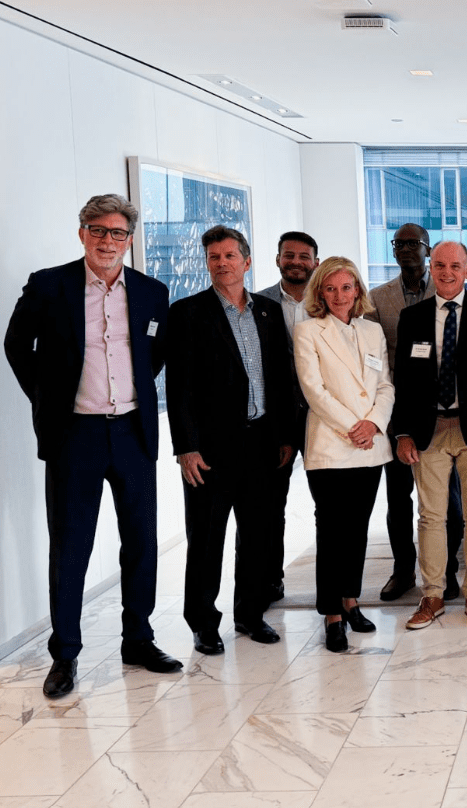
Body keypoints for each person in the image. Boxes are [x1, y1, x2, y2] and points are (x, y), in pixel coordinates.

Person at [3, 193, 182, 698]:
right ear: (82, 233)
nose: (107, 240)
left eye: (117, 232)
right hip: (74, 435)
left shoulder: (151, 291)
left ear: (130, 239)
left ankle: (139, 640)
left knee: (141, 543)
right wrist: (48, 400)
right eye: (97, 230)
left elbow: (156, 353)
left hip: (132, 432)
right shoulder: (49, 286)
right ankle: (64, 655)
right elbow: (16, 345)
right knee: (71, 547)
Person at [166, 225, 300, 654]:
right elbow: (179, 388)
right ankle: (203, 623)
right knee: (206, 539)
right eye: (213, 257)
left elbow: (279, 378)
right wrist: (185, 446)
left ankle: (250, 614)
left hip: (262, 441)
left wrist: (284, 436)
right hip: (209, 449)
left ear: (246, 261)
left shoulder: (267, 310)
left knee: (258, 534)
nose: (221, 263)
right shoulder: (187, 313)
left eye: (229, 256)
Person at [392, 241, 467, 630]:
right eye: (439, 265)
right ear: (431, 268)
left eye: (455, 265)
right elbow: (402, 381)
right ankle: (433, 594)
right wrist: (403, 433)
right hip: (429, 430)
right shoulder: (413, 317)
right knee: (430, 517)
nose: (446, 272)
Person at [294, 257, 395, 650]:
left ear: (357, 291)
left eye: (346, 288)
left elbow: (385, 384)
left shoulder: (372, 331)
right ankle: (332, 615)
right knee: (333, 530)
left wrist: (373, 423)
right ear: (320, 292)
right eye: (331, 288)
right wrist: (353, 427)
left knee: (357, 528)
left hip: (370, 447)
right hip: (332, 447)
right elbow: (313, 390)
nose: (339, 296)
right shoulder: (308, 331)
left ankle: (351, 600)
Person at [365, 223, 464, 602]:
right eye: (400, 244)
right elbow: (372, 358)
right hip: (397, 412)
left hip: (442, 413)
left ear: (429, 251)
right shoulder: (378, 298)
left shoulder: (444, 288)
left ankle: (447, 570)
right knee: (398, 497)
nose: (407, 249)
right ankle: (403, 569)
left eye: (415, 244)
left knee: (447, 500)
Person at [253, 230, 318, 604]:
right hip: (274, 420)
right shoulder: (257, 303)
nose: (296, 262)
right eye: (288, 255)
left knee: (327, 504)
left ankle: (335, 583)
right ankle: (269, 580)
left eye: (303, 256)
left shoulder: (328, 300)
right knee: (268, 505)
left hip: (320, 416)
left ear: (315, 262)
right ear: (278, 259)